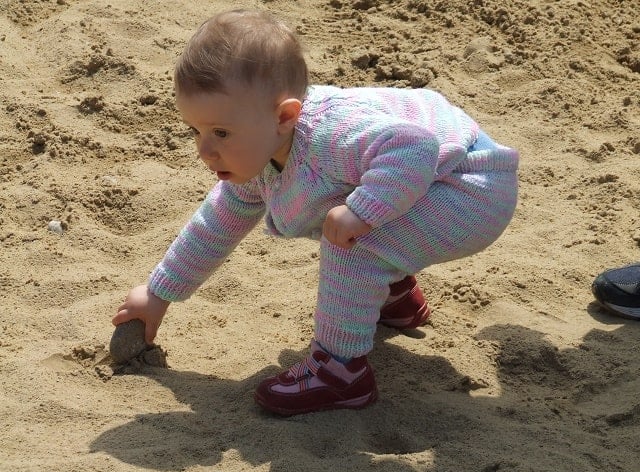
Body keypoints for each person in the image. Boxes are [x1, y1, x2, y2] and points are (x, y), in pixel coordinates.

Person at [112, 8, 519, 416]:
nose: (204, 149)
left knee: (351, 235)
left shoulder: (330, 136)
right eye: (195, 130)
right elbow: (217, 223)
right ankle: (391, 297)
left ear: (285, 116)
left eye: (221, 132)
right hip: (429, 180)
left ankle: (341, 374)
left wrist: (362, 212)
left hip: (471, 184)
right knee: (339, 215)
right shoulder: (261, 153)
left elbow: (415, 147)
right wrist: (159, 293)